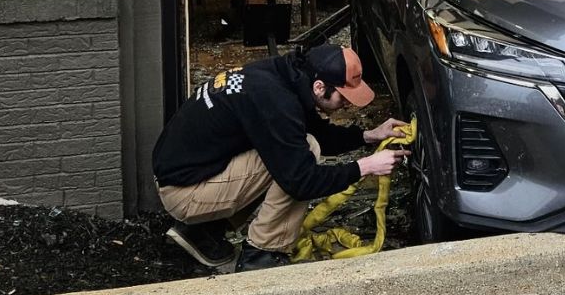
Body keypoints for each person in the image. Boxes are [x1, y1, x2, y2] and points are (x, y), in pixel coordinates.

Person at [152, 44, 409, 272]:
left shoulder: (280, 76)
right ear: (319, 87)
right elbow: (302, 181)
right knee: (302, 155)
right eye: (344, 96)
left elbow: (312, 129)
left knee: (295, 147)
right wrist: (365, 167)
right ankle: (262, 253)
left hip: (189, 175)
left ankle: (204, 231)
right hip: (184, 193)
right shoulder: (276, 103)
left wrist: (369, 136)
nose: (348, 104)